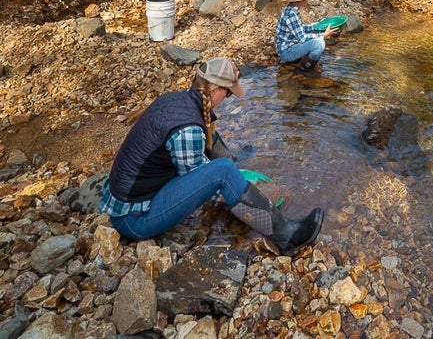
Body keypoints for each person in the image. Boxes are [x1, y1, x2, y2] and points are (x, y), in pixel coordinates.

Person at [98, 57, 324, 256]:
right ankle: (287, 236)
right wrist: (239, 187)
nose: (227, 98)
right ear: (215, 90)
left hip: (128, 199)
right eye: (227, 92)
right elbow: (203, 184)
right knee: (224, 170)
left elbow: (206, 144)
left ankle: (235, 170)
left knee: (224, 162)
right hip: (135, 219)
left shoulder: (175, 101)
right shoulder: (188, 128)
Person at [275, 0, 335, 75]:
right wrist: (323, 34)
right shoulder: (291, 14)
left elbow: (299, 29)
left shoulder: (291, 9)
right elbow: (302, 38)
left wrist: (316, 26)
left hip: (289, 46)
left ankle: (302, 62)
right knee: (319, 44)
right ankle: (304, 69)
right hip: (286, 52)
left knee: (316, 36)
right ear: (300, 0)